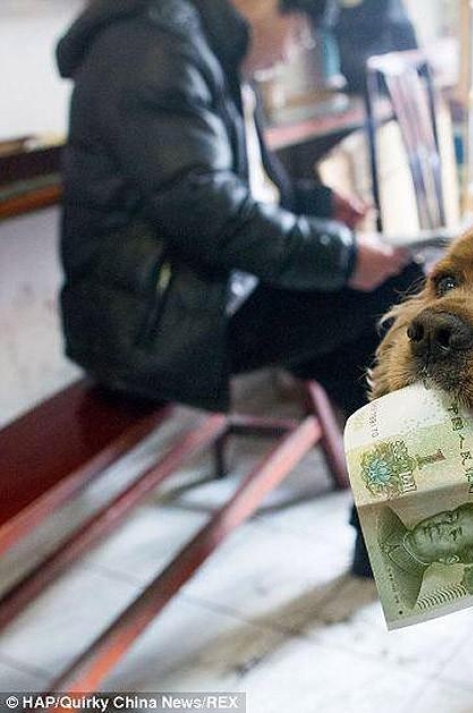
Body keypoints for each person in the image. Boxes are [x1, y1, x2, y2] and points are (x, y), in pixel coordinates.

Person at [55, 0, 423, 576]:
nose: (294, 52)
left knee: (372, 331)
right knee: (400, 300)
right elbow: (204, 209)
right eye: (300, 33)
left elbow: (234, 194)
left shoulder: (196, 47)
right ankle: (413, 548)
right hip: (151, 325)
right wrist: (345, 257)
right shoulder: (152, 48)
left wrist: (318, 205)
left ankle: (404, 546)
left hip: (198, 297)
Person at [377, 503, 473, 609]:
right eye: (451, 517)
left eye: (454, 534)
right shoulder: (383, 514)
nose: (443, 526)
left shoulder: (405, 598)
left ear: (448, 559)